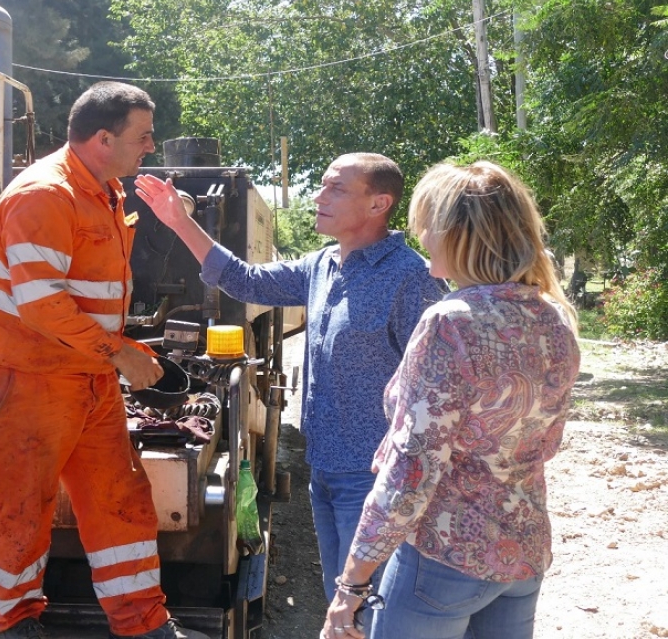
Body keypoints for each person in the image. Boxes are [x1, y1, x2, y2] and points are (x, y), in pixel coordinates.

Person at [0, 82, 208, 639]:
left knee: (120, 497)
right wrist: (120, 354)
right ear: (102, 139)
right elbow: (42, 304)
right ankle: (15, 623)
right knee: (22, 507)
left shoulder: (102, 190)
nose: (151, 146)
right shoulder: (44, 194)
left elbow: (82, 298)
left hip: (84, 374)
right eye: (143, 136)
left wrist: (122, 354)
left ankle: (143, 623)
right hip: (24, 377)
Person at [134, 153, 448, 608]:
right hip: (325, 468)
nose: (318, 197)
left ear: (379, 204)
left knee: (370, 607)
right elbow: (243, 280)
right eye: (321, 184)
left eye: (336, 188)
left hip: (376, 478)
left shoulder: (411, 278)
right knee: (342, 601)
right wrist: (180, 222)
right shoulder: (322, 266)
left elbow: (439, 390)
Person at [321, 161, 581, 639]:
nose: (421, 235)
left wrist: (352, 583)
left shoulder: (452, 322)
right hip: (523, 551)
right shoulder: (554, 318)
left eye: (427, 224)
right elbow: (545, 442)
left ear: (458, 235)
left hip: (446, 557)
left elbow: (412, 469)